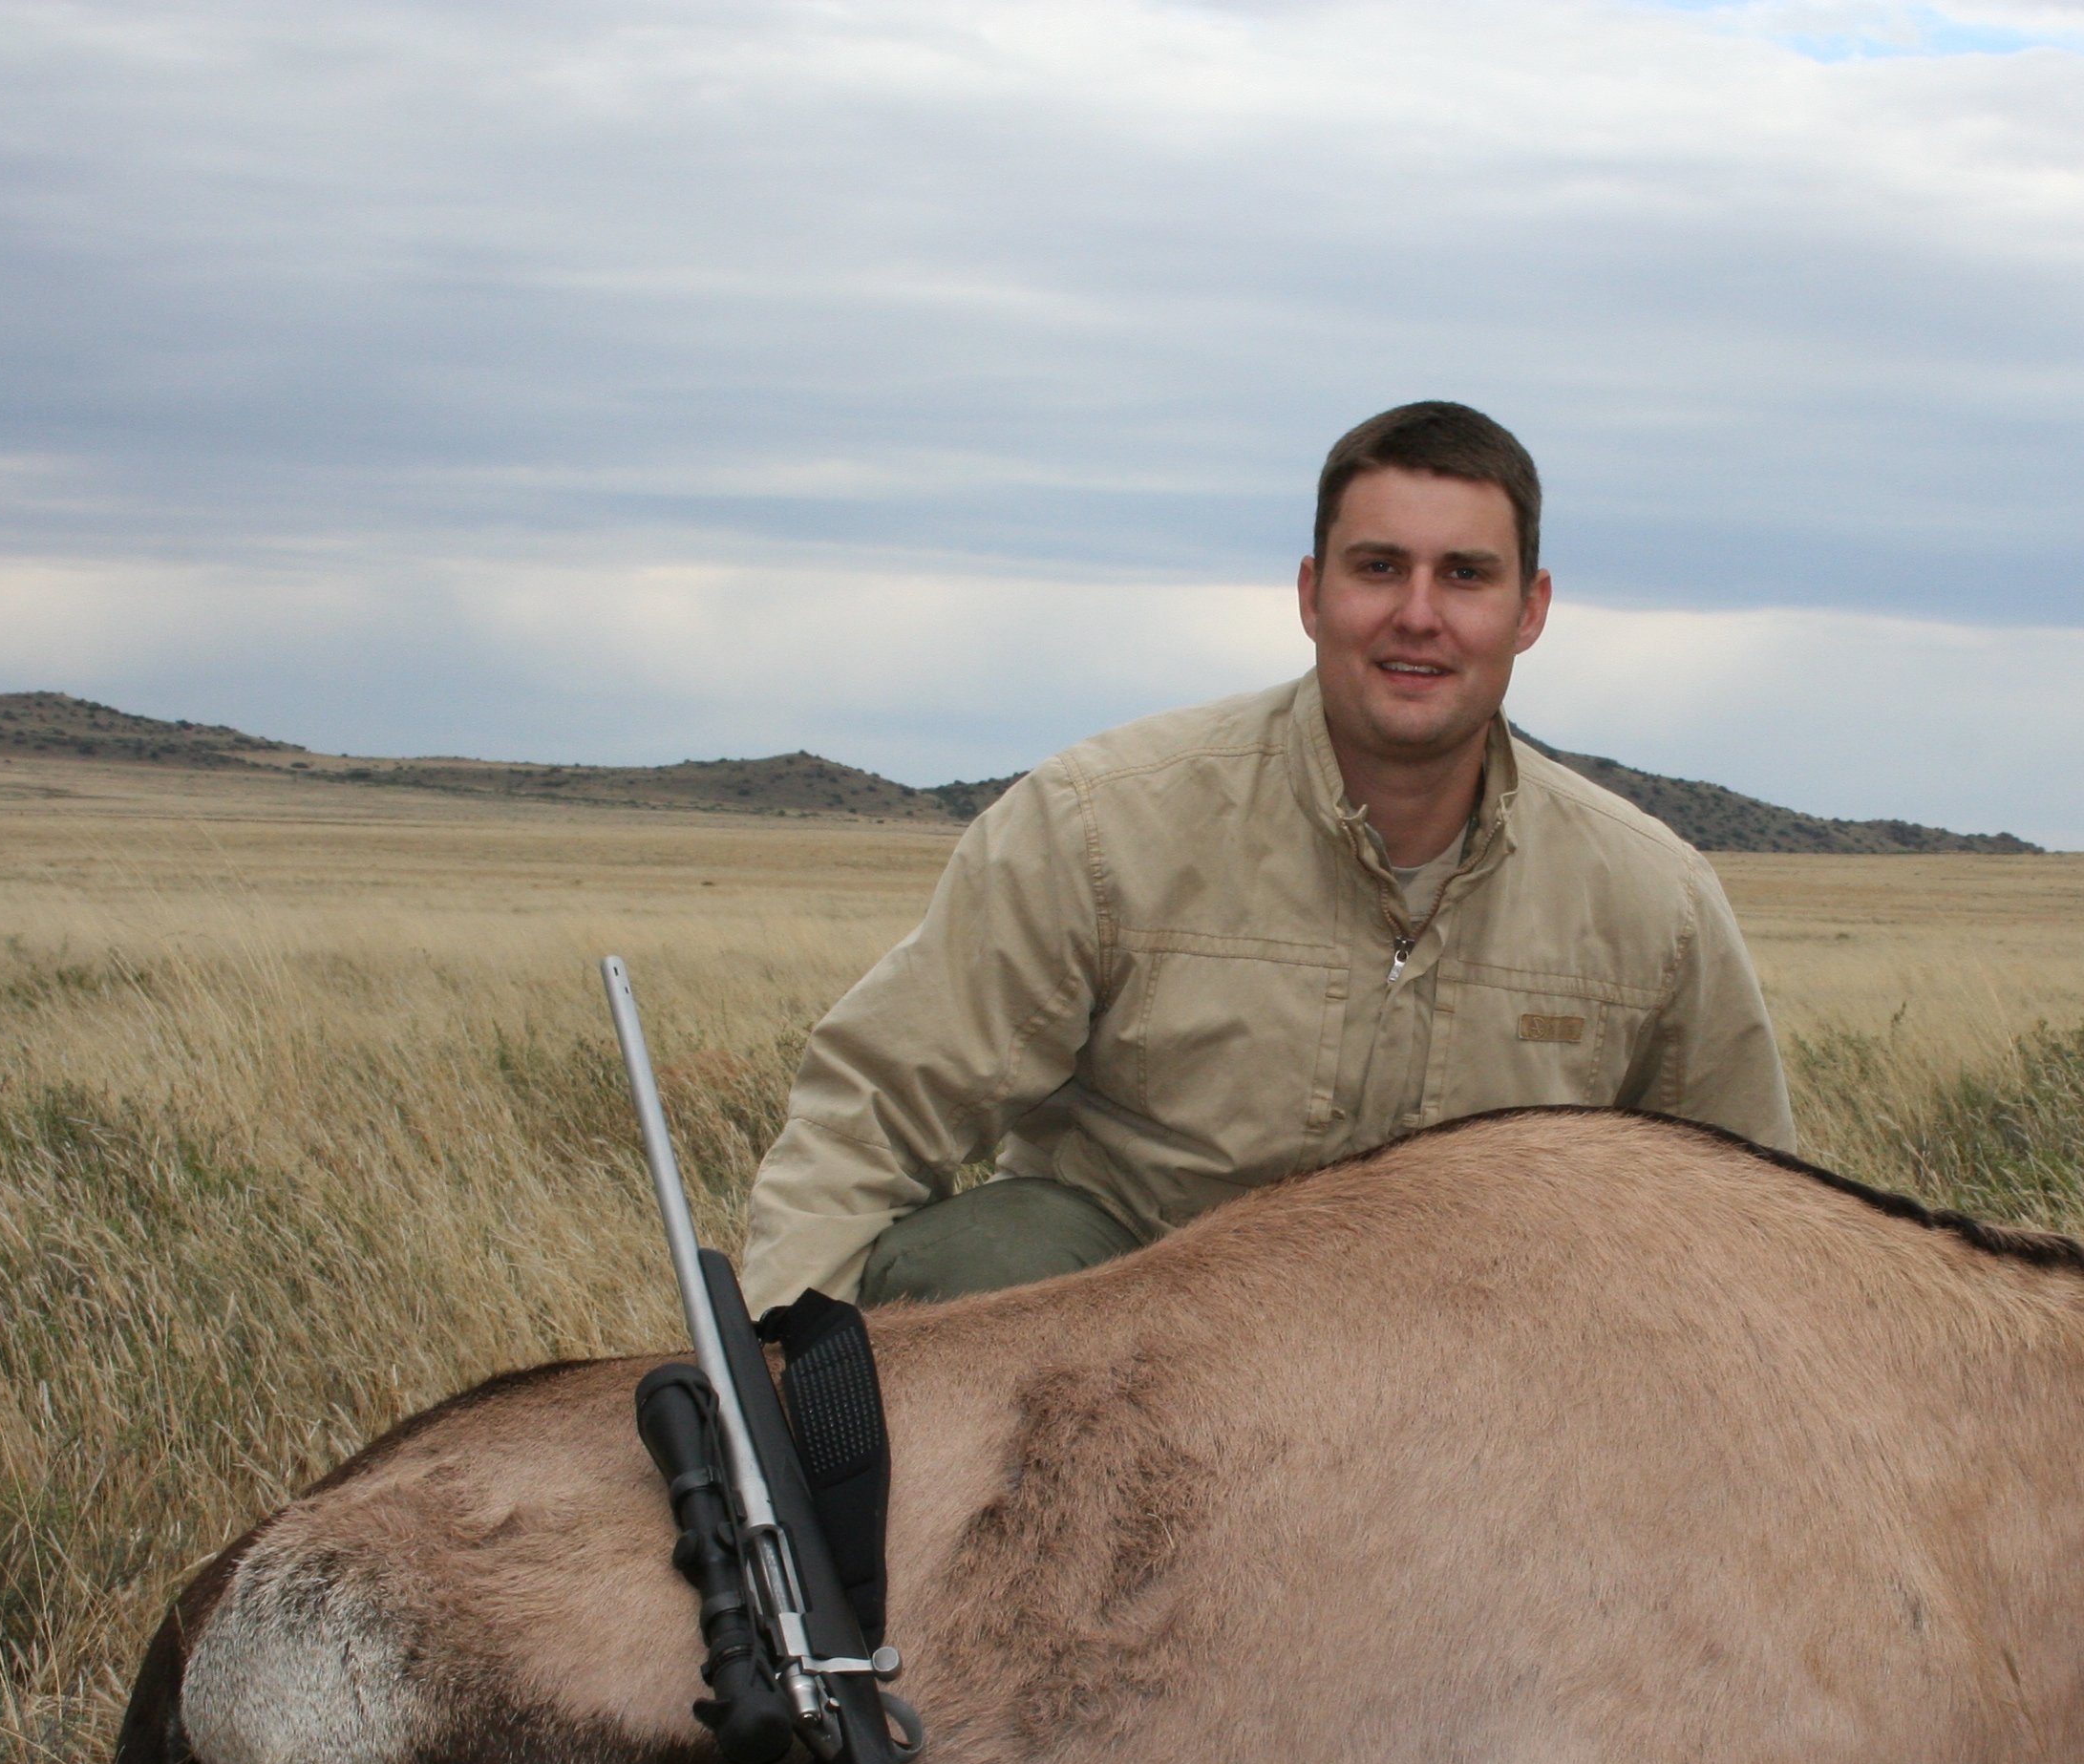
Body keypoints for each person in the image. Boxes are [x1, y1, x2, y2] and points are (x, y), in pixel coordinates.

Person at [739, 400, 1797, 1313]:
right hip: (1134, 1388)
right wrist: (785, 1387)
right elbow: (865, 1117)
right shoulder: (1100, 826)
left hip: (1489, 1405)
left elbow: (1755, 1226)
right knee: (986, 1259)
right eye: (1378, 568)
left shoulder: (1657, 904)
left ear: (1530, 611)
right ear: (1311, 592)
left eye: (1465, 576)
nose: (1417, 616)